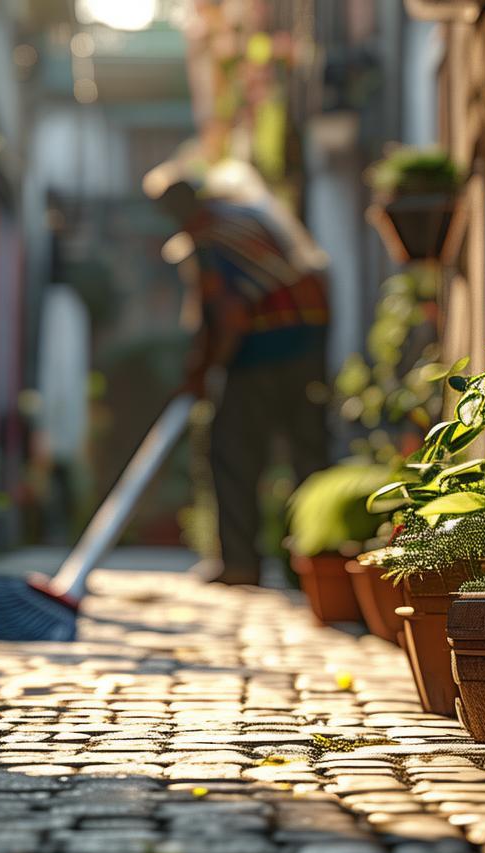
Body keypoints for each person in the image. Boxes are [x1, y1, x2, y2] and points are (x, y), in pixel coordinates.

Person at [145, 157, 331, 586]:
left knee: (231, 450)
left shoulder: (208, 236)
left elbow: (225, 317)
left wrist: (202, 372)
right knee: (307, 452)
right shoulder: (240, 216)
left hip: (264, 350)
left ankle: (242, 564)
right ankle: (317, 565)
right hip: (308, 342)